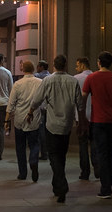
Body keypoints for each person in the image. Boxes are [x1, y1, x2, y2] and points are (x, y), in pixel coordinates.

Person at [28, 54, 85, 203]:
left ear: (54, 65)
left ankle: (61, 185)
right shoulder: (73, 81)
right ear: (66, 65)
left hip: (52, 124)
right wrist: (81, 122)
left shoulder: (47, 80)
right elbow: (80, 104)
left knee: (54, 156)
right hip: (66, 125)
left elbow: (37, 99)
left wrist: (30, 112)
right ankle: (57, 186)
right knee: (61, 155)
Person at [82, 50, 112, 199]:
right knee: (110, 152)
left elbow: (83, 98)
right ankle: (108, 184)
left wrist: (82, 117)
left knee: (101, 153)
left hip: (98, 120)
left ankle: (105, 187)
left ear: (99, 62)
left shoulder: (91, 78)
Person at [4, 60, 42, 182]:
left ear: (23, 70)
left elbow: (11, 103)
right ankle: (33, 160)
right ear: (33, 69)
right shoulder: (40, 83)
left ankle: (22, 173)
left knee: (20, 147)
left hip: (19, 119)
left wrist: (6, 121)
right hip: (34, 118)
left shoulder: (18, 84)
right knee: (34, 144)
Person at [74, 56, 99, 181]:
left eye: (77, 65)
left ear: (83, 65)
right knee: (94, 143)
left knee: (83, 145)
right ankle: (97, 166)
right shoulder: (96, 77)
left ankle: (85, 172)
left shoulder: (76, 79)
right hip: (95, 116)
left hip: (81, 116)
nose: (76, 67)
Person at [34, 59, 50, 160]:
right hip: (49, 106)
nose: (37, 68)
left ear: (42, 67)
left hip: (40, 106)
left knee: (41, 130)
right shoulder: (50, 76)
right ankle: (47, 151)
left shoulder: (37, 77)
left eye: (38, 66)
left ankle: (43, 152)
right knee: (47, 130)